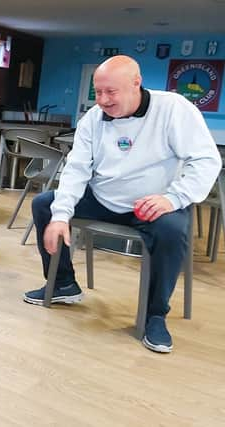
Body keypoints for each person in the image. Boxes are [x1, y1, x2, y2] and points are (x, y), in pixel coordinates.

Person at [23, 55, 222, 353]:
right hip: (102, 197)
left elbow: (206, 160)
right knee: (44, 204)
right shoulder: (93, 118)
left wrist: (173, 198)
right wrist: (61, 215)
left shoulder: (173, 109)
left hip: (154, 203)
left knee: (172, 231)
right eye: (98, 92)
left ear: (136, 84)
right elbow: (77, 168)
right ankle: (64, 283)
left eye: (110, 92)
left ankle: (155, 314)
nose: (102, 100)